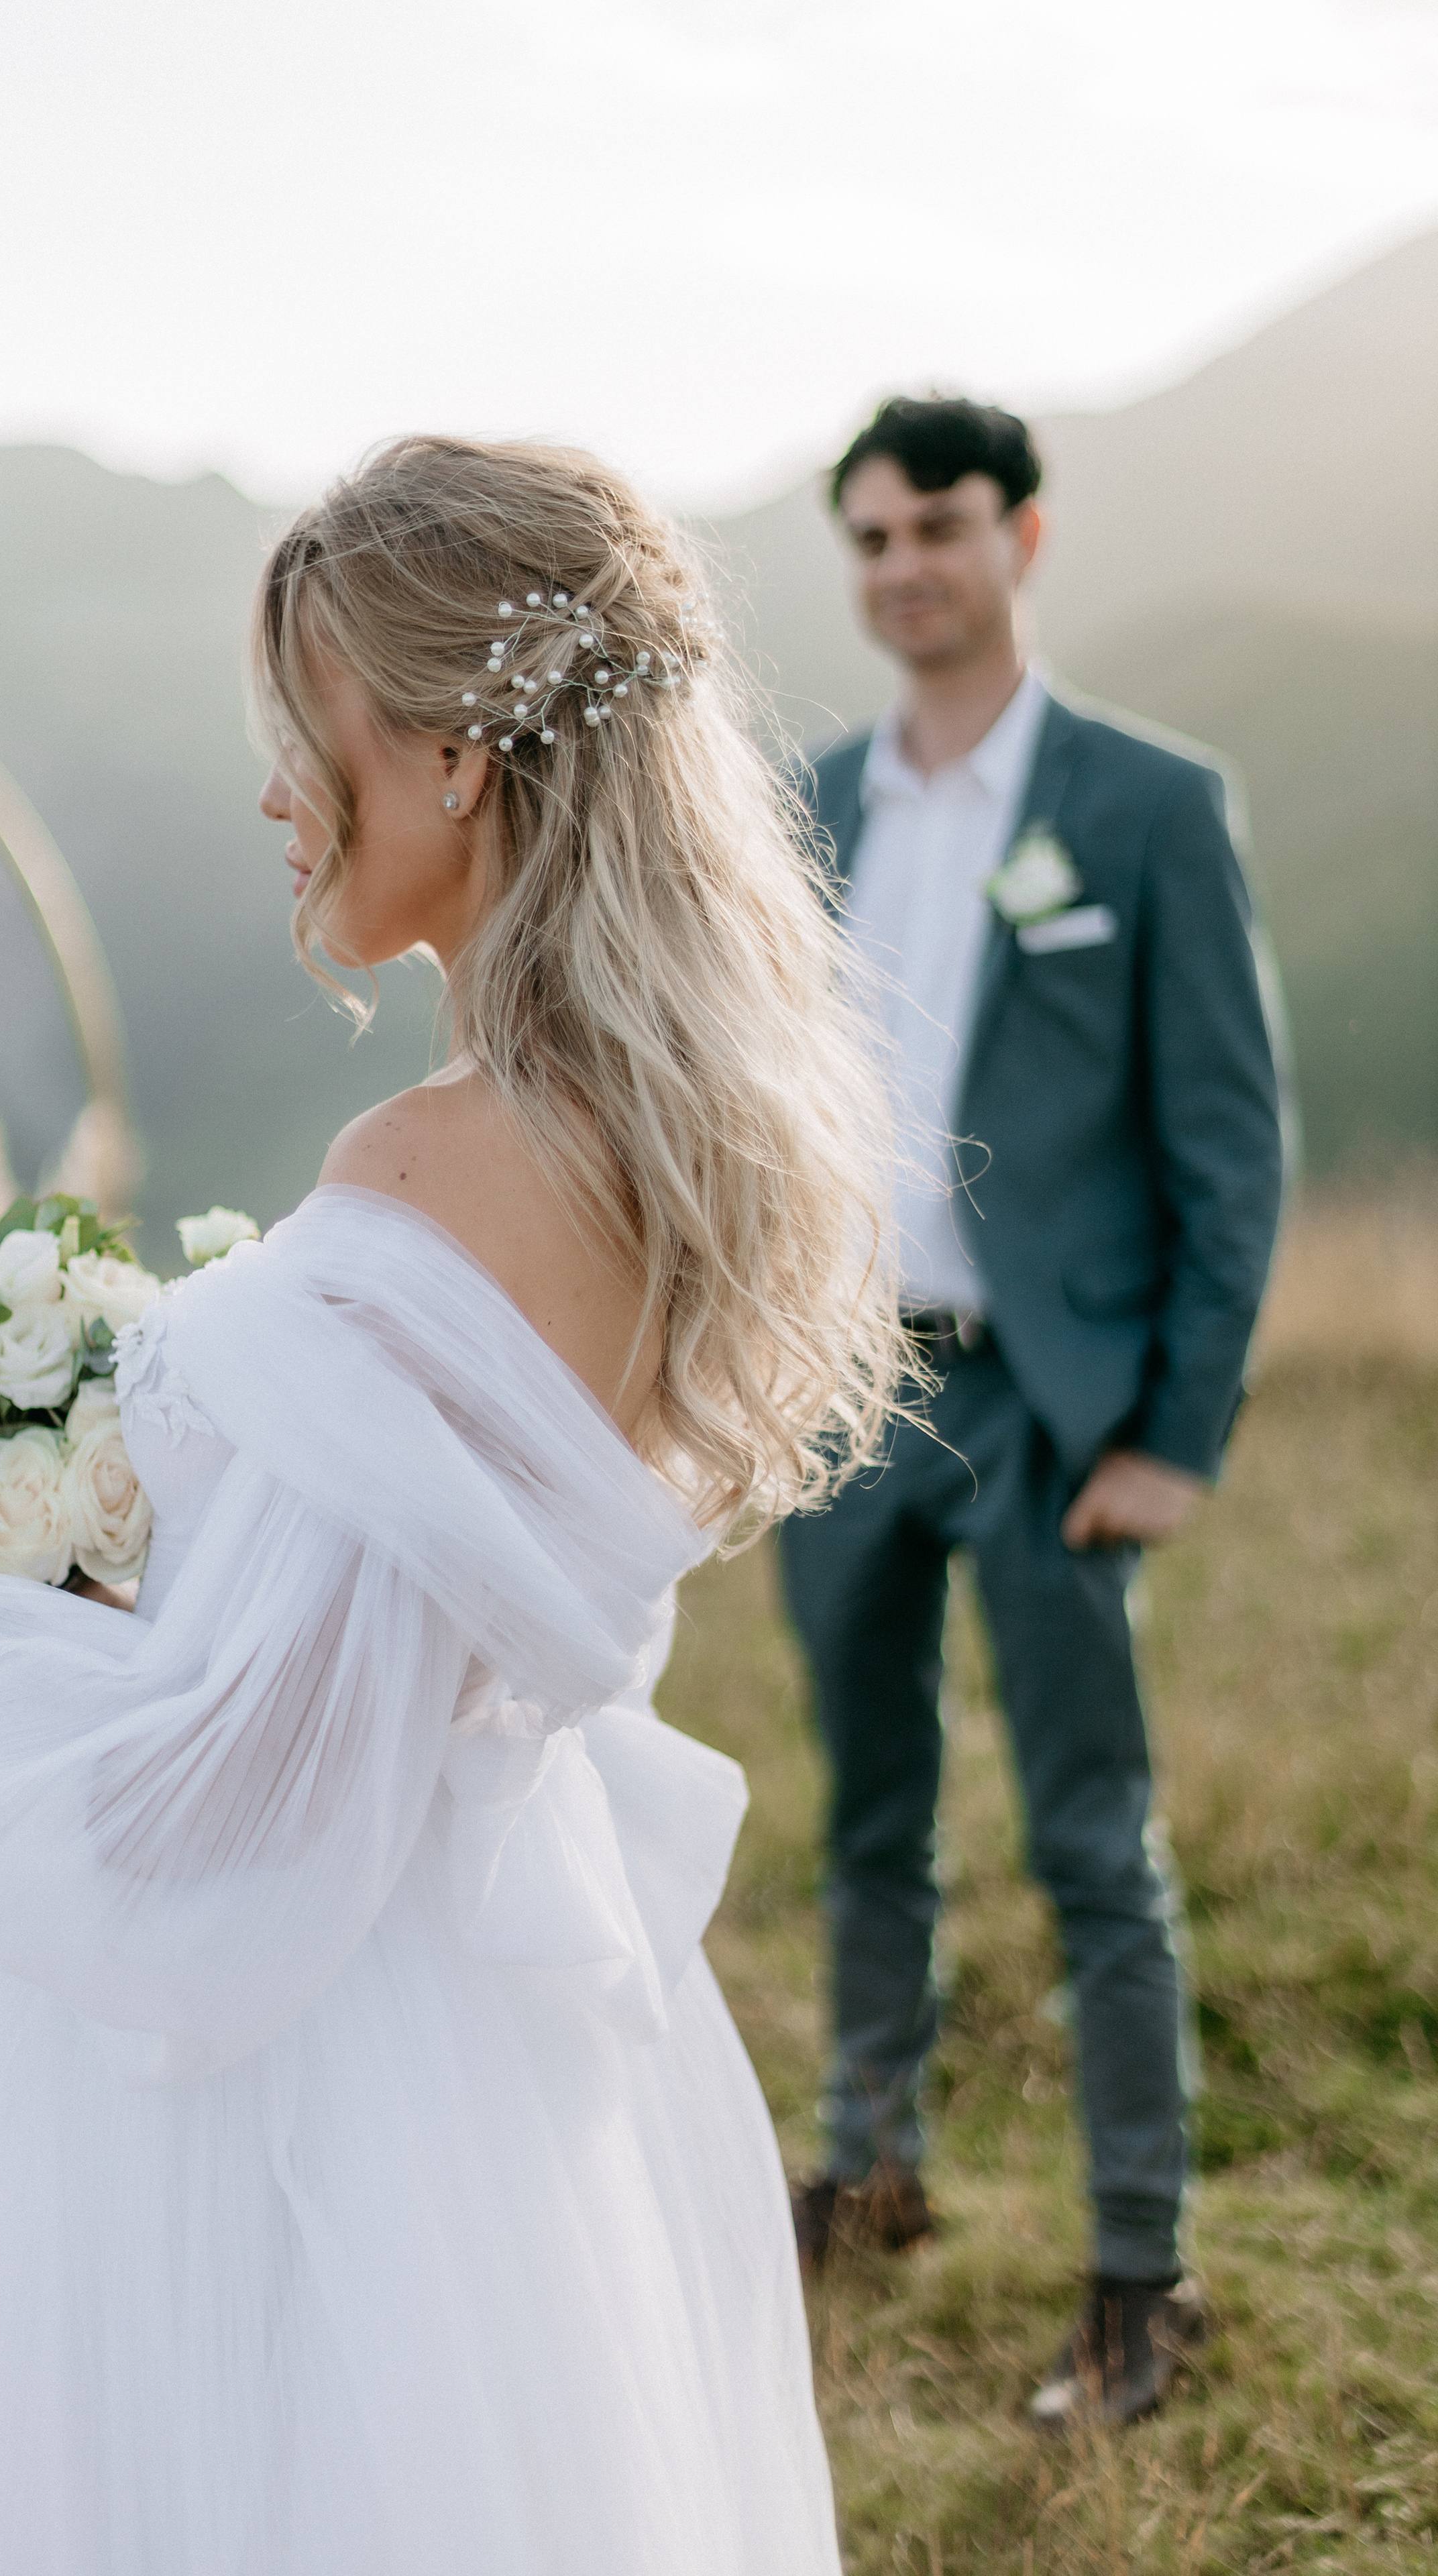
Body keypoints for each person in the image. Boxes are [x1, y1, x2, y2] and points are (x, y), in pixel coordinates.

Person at [0, 437, 905, 2575]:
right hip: (502, 2051)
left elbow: (259, 1799)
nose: (276, 784)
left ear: (452, 753)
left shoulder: (434, 1172)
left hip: (288, 2094)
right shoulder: (641, 1156)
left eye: (310, 724)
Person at [781, 396, 1286, 2427]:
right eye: (876, 535)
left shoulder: (1145, 805)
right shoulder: (817, 807)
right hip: (846, 1394)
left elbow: (1231, 1143)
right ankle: (875, 2163)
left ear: (1024, 539)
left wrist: (1176, 1431)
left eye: (942, 527)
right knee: (868, 1814)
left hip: (1062, 1407)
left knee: (1093, 1847)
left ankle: (1139, 2277)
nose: (907, 564)